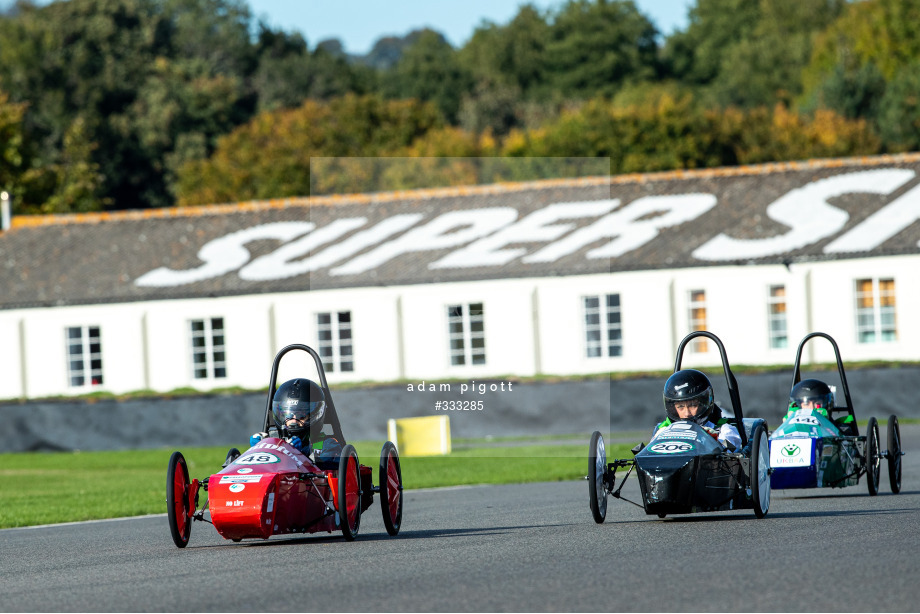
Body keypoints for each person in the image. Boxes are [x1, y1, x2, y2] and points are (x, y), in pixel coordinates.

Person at [250, 378, 342, 464]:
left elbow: (328, 467)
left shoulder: (328, 445)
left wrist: (298, 453)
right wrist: (259, 449)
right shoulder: (273, 442)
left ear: (315, 415)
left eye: (301, 415)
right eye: (288, 415)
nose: (293, 420)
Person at [653, 369, 742, 450]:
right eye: (681, 407)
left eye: (692, 405)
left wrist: (714, 440)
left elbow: (732, 450)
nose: (687, 413)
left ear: (703, 404)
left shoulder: (723, 429)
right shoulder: (663, 430)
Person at [786, 378, 855, 434]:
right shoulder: (787, 430)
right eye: (806, 404)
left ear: (827, 404)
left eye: (817, 403)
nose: (811, 408)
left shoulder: (842, 430)